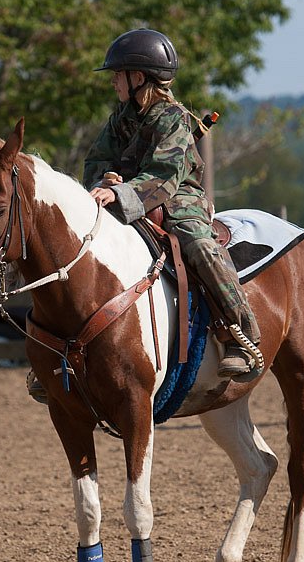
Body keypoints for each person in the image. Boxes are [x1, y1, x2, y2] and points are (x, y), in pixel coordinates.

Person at [85, 28, 261, 376]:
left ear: (138, 77)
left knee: (199, 246)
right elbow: (96, 160)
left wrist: (119, 192)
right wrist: (103, 180)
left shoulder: (174, 118)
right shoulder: (120, 118)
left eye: (117, 75)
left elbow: (165, 175)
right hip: (127, 196)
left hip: (180, 199)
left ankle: (241, 335)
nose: (113, 83)